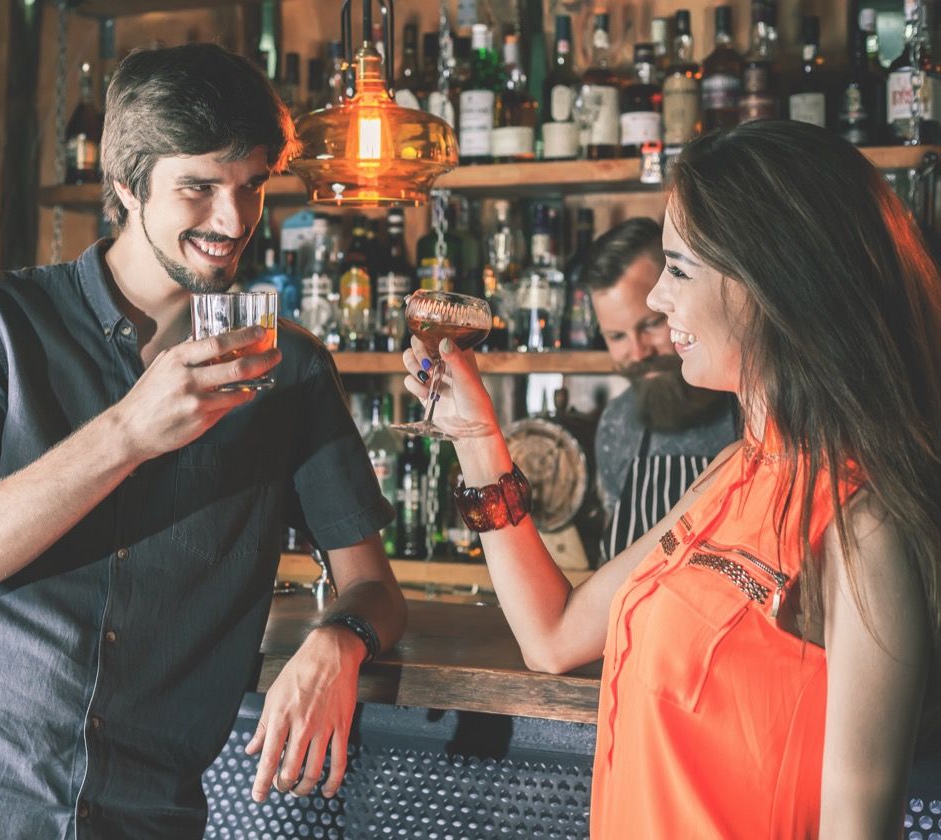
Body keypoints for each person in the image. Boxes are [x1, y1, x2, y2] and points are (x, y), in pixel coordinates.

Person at [0, 43, 406, 838]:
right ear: (127, 182)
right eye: (200, 186)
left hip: (148, 816)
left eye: (251, 186)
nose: (233, 221)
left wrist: (341, 641)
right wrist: (127, 431)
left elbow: (374, 587)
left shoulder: (288, 369)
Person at [402, 120, 941, 837]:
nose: (655, 300)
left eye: (679, 269)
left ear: (775, 285)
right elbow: (553, 637)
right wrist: (475, 434)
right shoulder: (733, 472)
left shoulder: (861, 525)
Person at [580, 217, 738, 562]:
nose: (638, 353)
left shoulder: (754, 407)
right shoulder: (617, 425)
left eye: (651, 324)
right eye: (617, 337)